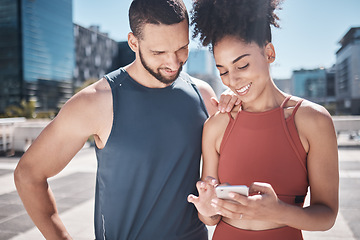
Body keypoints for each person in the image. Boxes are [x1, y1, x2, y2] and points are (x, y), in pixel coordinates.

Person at [14, 0, 239, 239]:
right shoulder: (96, 102)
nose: (173, 63)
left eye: (181, 48)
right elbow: (28, 174)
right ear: (133, 42)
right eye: (159, 52)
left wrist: (237, 103)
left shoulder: (203, 95)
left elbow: (225, 181)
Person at [187, 0, 339, 239]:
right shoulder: (216, 126)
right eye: (223, 71)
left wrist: (279, 212)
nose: (233, 80)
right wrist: (206, 209)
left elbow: (327, 215)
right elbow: (211, 216)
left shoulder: (313, 121)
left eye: (242, 65)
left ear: (269, 53)